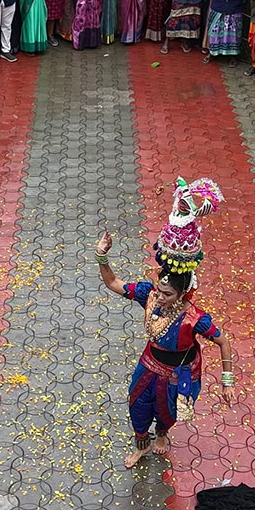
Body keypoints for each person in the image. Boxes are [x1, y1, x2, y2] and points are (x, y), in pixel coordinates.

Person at [93, 177, 233, 469]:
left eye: (167, 294)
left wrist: (227, 381)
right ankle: (141, 445)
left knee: (169, 411)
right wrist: (101, 256)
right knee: (137, 405)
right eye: (159, 289)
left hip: (180, 372)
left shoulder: (195, 318)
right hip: (149, 364)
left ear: (183, 293)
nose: (160, 297)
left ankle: (162, 434)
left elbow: (223, 341)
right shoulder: (148, 295)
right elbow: (114, 284)